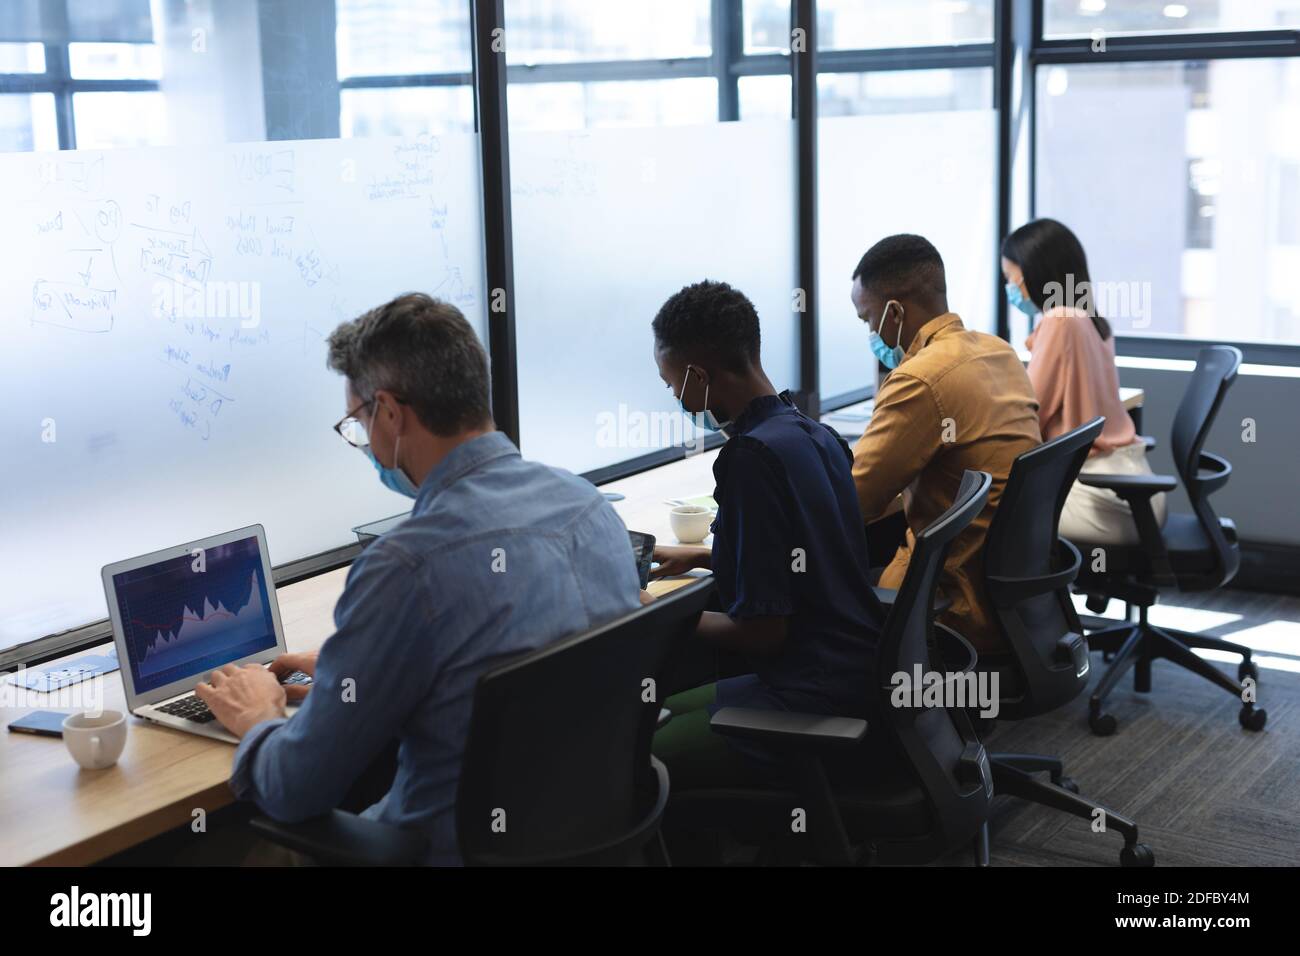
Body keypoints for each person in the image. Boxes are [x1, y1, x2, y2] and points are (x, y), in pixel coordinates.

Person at [195, 292, 642, 865]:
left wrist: (257, 716)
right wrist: (348, 675)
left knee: (230, 851)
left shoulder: (405, 565)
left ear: (389, 412)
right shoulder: (589, 508)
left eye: (356, 423)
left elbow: (293, 791)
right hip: (587, 842)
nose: (364, 442)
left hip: (441, 852)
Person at [647, 280, 886, 792]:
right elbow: (805, 560)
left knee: (640, 752)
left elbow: (762, 633)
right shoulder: (812, 433)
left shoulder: (750, 460)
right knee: (656, 710)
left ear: (698, 375)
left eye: (672, 384)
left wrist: (655, 612)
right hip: (856, 669)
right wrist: (703, 556)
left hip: (809, 692)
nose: (674, 396)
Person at [849, 235, 1041, 657]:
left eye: (868, 321)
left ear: (894, 312)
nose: (870, 333)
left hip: (950, 595)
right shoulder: (997, 351)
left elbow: (856, 502)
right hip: (1007, 585)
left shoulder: (919, 378)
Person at [1002, 218, 1166, 545]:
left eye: (1010, 279)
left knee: (988, 510)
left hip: (1103, 499)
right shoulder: (1090, 320)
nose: (1009, 289)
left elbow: (1030, 415)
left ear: (1033, 273)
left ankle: (1026, 597)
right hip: (1133, 491)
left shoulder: (1060, 321)